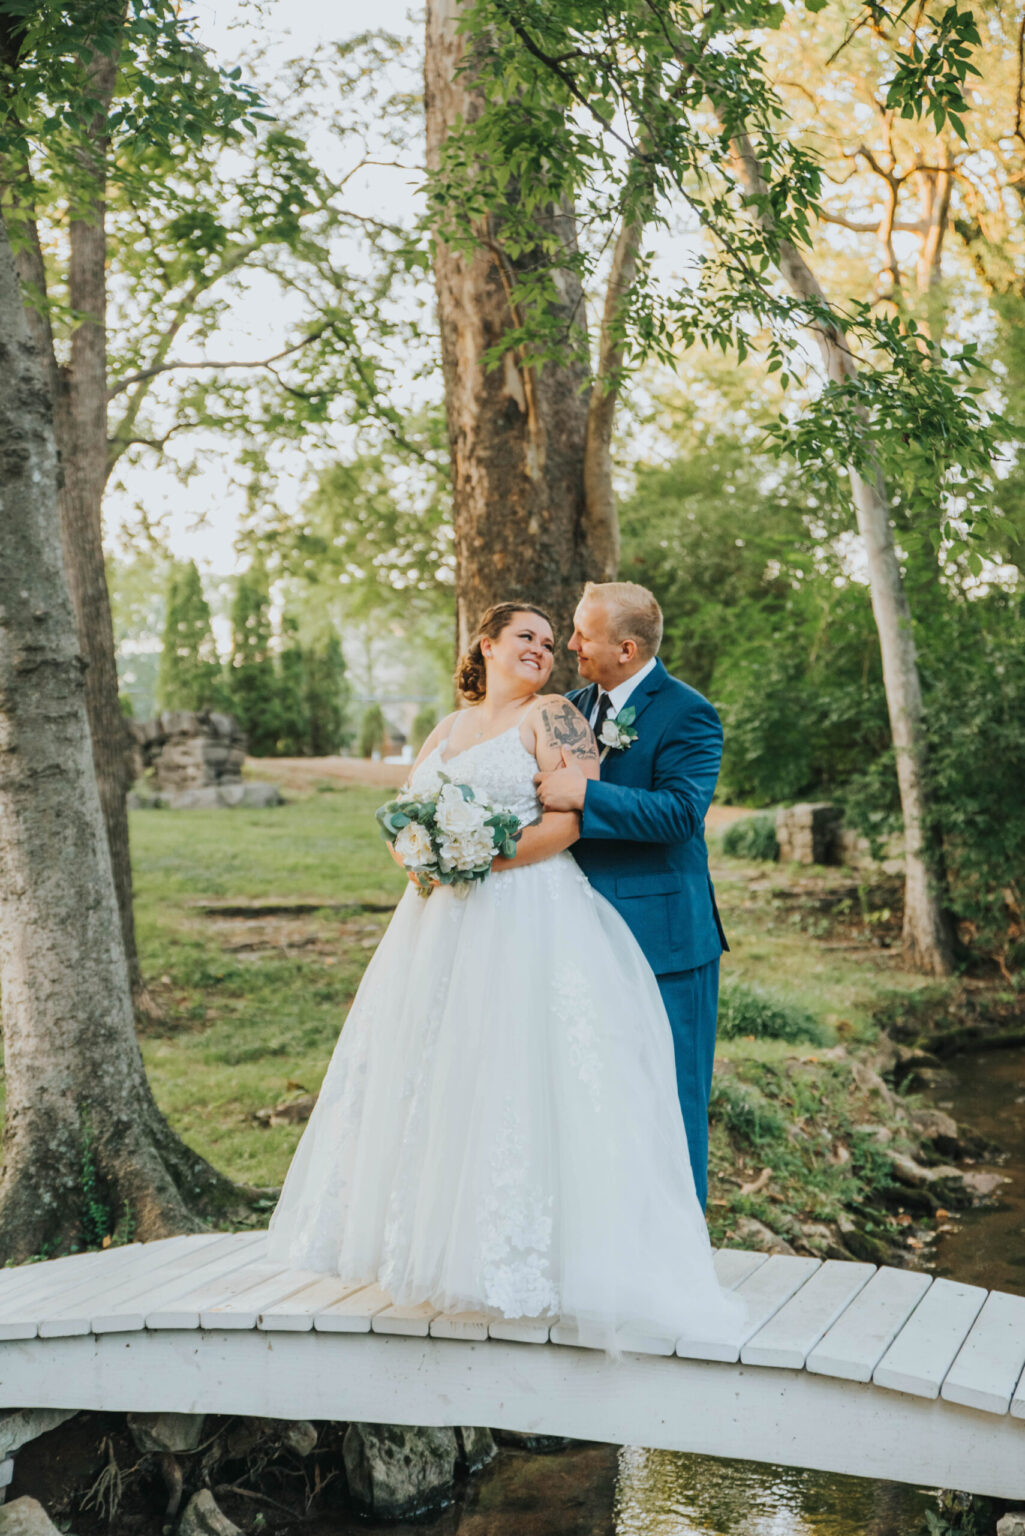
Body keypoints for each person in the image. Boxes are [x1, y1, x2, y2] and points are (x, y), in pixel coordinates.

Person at [268, 601, 737, 1350]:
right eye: (531, 637)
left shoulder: (559, 716)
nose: (549, 650)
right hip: (437, 926)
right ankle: (436, 1250)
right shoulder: (449, 727)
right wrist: (421, 851)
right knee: (441, 1077)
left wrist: (474, 856)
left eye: (556, 642)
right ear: (484, 644)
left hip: (529, 913)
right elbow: (404, 813)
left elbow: (569, 821)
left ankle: (635, 1257)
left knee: (548, 1084)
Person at [534, 582, 728, 1209]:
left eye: (581, 635)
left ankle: (682, 1264)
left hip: (664, 941)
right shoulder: (569, 706)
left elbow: (678, 814)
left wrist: (585, 795)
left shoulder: (687, 712)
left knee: (671, 1099)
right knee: (596, 1101)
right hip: (578, 934)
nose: (570, 645)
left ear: (626, 646)